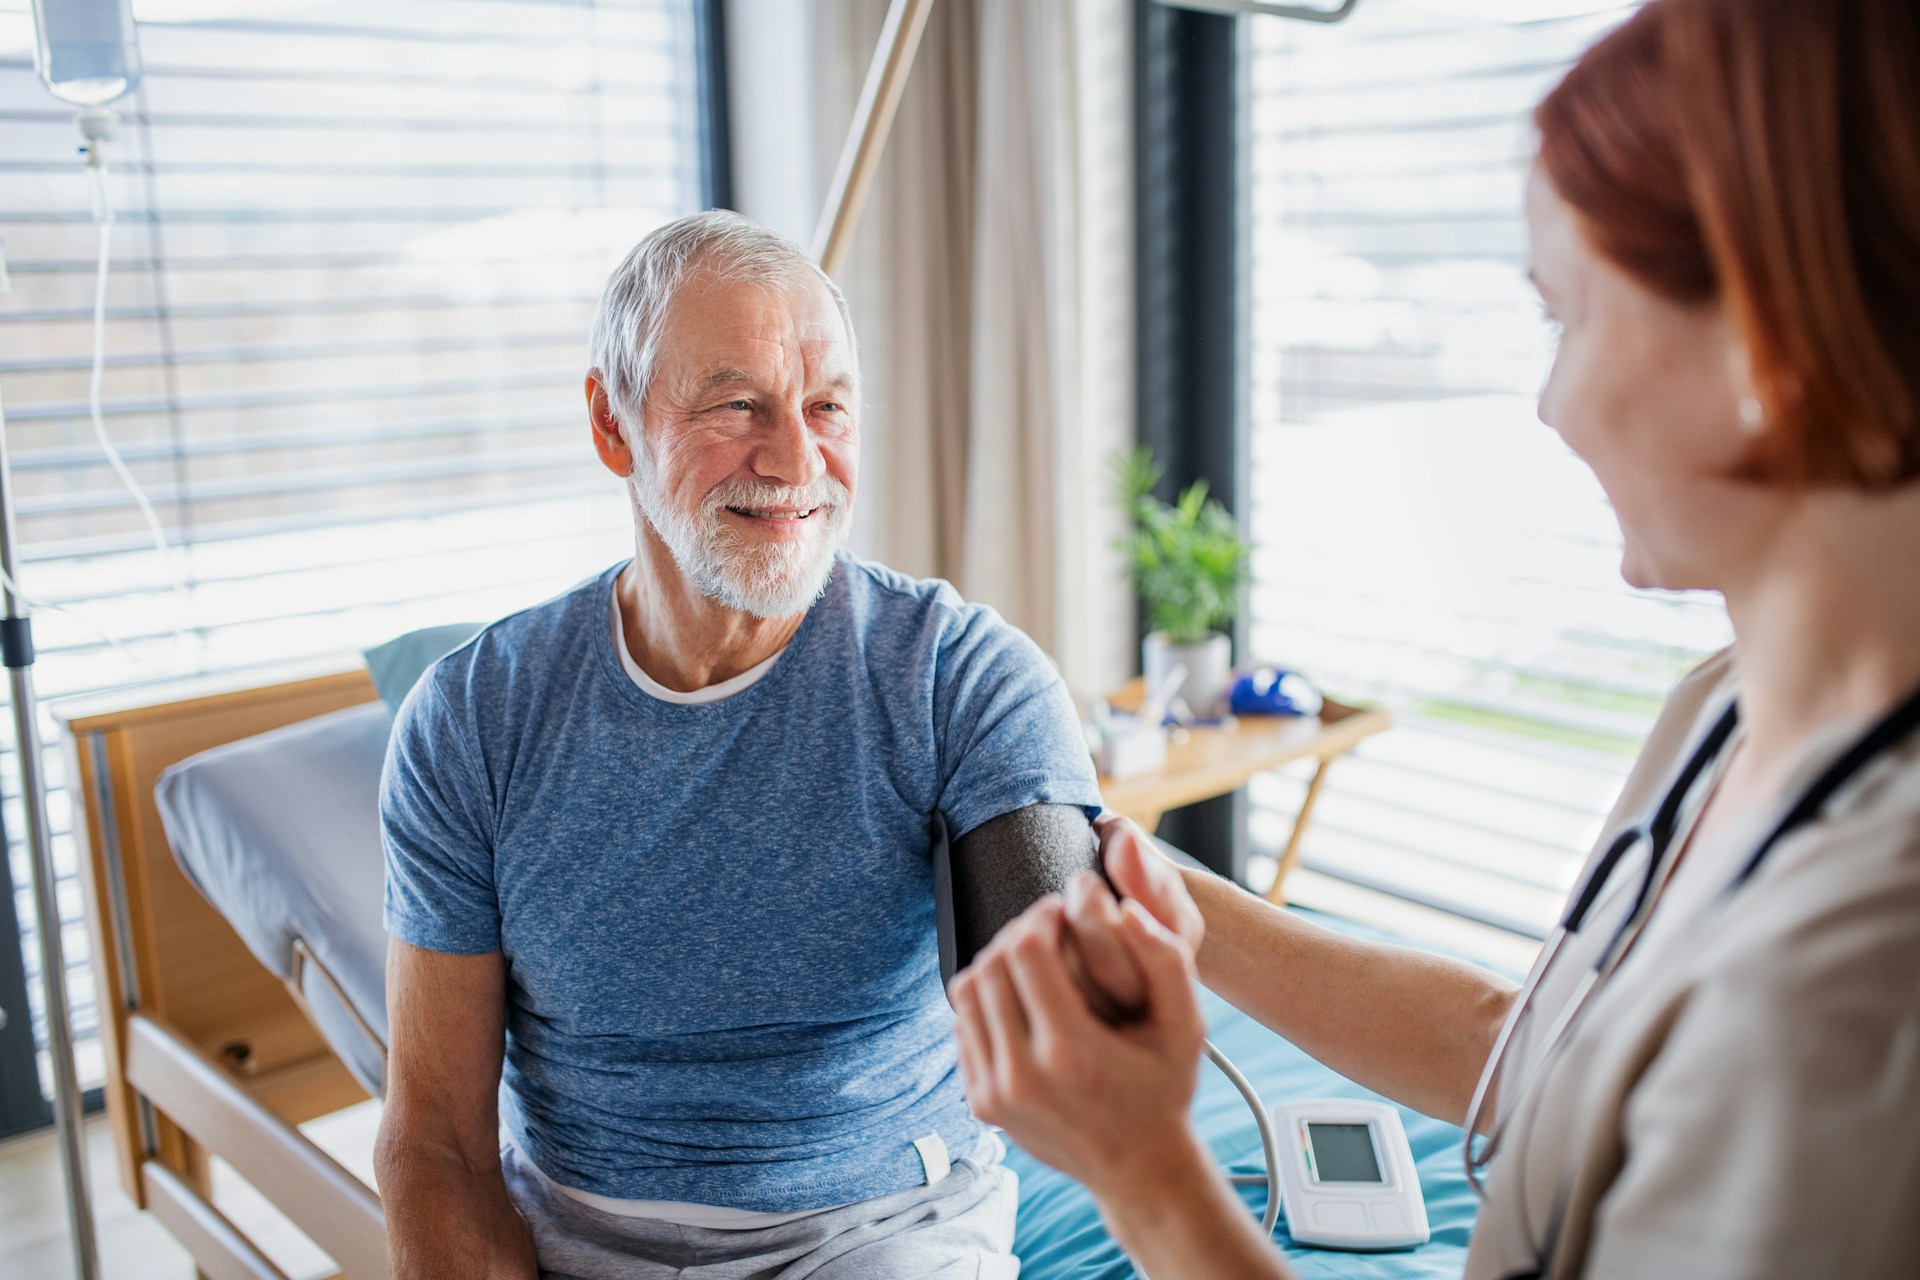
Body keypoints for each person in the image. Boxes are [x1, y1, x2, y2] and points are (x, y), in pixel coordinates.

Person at [950, 0, 1920, 1276]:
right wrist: (1173, 895)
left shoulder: (1856, 987)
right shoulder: (1723, 709)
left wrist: (1146, 1173)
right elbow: (1528, 1049)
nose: (1551, 404)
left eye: (1569, 320)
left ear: (1766, 344)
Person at [374, 210, 1106, 1279]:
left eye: (827, 406)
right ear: (612, 422)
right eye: (738, 404)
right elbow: (436, 1135)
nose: (799, 459)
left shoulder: (959, 676)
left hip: (883, 1234)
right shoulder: (473, 720)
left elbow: (1076, 1020)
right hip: (576, 1237)